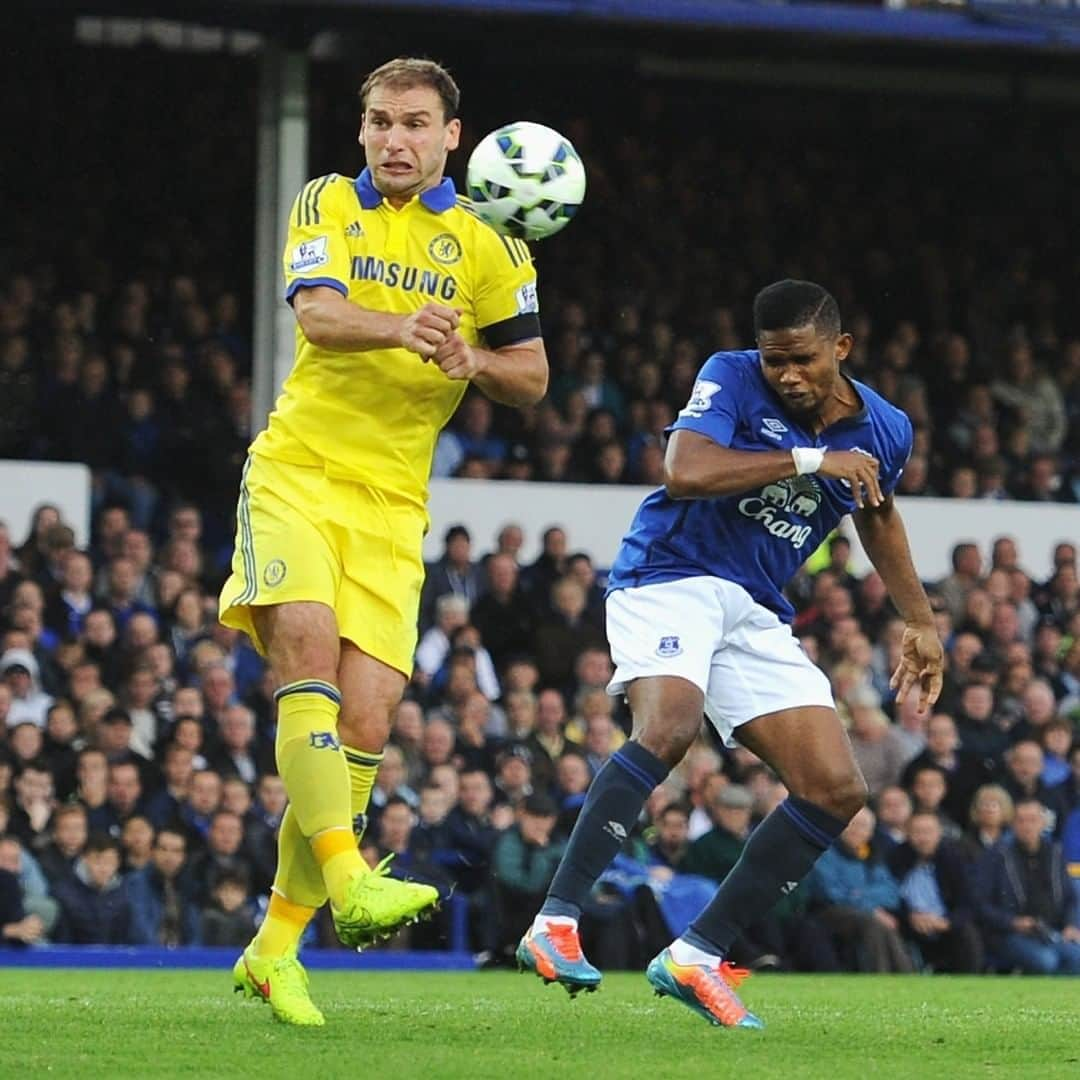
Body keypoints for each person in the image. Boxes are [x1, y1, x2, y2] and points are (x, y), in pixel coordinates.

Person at [218, 58, 547, 1024]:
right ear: (360, 132)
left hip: (395, 508)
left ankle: (274, 950)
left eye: (413, 123)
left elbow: (528, 378)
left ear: (453, 136)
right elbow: (316, 316)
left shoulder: (492, 247)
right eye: (377, 122)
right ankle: (350, 875)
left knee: (364, 727)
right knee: (307, 659)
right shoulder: (327, 201)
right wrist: (407, 327)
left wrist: (468, 356)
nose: (393, 139)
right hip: (299, 475)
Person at [518, 280, 943, 1027]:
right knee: (669, 727)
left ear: (840, 349)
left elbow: (876, 514)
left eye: (803, 361)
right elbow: (684, 471)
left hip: (753, 607)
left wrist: (919, 619)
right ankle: (554, 922)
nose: (787, 376)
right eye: (776, 360)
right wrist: (810, 462)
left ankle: (697, 956)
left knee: (835, 788)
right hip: (670, 573)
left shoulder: (886, 428)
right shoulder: (730, 373)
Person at [976, 799, 1080, 974]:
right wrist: (1012, 922)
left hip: (1050, 931)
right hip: (1009, 933)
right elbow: (981, 904)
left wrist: (1071, 925)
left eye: (1032, 820)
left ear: (1043, 823)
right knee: (1046, 961)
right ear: (1013, 824)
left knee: (1076, 957)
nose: (1027, 826)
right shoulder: (996, 856)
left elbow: (1071, 898)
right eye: (1021, 820)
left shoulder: (1055, 853)